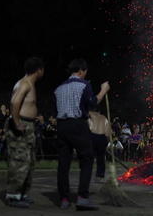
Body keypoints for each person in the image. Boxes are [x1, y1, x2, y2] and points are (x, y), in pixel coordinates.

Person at [54, 59, 110, 210]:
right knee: (87, 159)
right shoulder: (84, 85)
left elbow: (56, 111)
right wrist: (103, 90)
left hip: (62, 126)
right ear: (80, 71)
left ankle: (64, 199)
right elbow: (92, 102)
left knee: (63, 164)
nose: (85, 75)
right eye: (85, 72)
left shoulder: (58, 88)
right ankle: (82, 197)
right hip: (78, 125)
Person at [6, 57, 44, 208]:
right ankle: (13, 196)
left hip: (27, 125)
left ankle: (21, 193)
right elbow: (15, 102)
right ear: (39, 70)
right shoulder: (25, 83)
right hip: (21, 125)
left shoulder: (29, 84)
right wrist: (17, 123)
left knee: (29, 161)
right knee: (19, 160)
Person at [88, 110, 110, 183]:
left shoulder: (91, 118)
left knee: (93, 158)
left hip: (95, 137)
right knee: (100, 158)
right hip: (99, 137)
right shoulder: (103, 119)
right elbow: (107, 132)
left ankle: (98, 175)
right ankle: (100, 175)